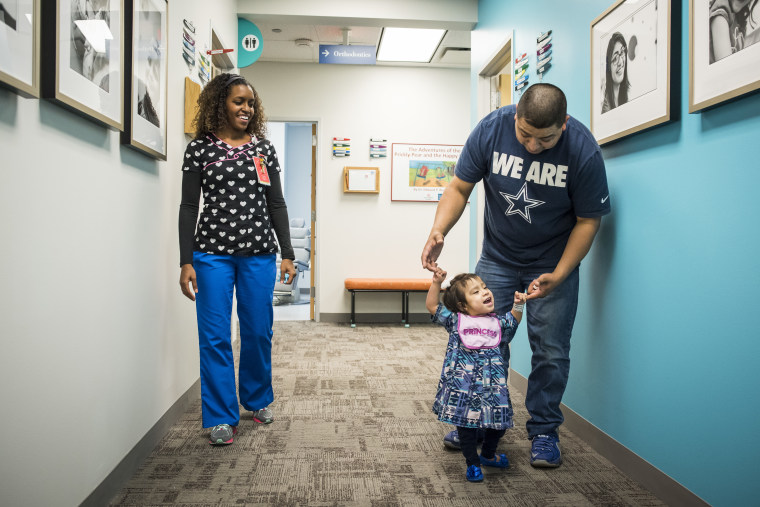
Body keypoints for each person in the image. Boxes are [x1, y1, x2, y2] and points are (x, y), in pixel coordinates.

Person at [421, 83, 610, 468]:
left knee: (551, 350)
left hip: (552, 262)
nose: (532, 146)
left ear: (565, 124)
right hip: (498, 257)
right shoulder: (492, 129)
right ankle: (474, 422)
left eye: (545, 139)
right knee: (481, 344)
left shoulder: (583, 150)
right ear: (514, 118)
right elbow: (459, 186)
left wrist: (559, 273)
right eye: (525, 135)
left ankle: (543, 431)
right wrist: (439, 229)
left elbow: (589, 220)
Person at [178, 73, 296, 445]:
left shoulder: (263, 150)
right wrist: (186, 260)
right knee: (214, 336)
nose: (246, 108)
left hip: (259, 254)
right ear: (220, 105)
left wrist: (288, 253)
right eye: (238, 102)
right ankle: (219, 416)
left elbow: (276, 203)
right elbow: (188, 207)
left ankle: (257, 398)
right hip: (211, 255)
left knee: (258, 331)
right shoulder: (200, 149)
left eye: (250, 103)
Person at [426, 268, 527, 482]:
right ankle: (472, 463)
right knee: (466, 428)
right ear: (463, 305)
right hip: (462, 390)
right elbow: (433, 306)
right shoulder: (456, 321)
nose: (485, 292)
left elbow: (513, 321)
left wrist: (519, 304)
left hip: (493, 389)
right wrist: (436, 283)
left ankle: (488, 455)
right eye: (476, 292)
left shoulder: (497, 323)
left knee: (499, 425)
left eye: (485, 287)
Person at [602, 32, 629, 113]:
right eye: (615, 59)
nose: (620, 62)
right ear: (608, 68)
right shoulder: (606, 108)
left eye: (622, 53)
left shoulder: (626, 97)